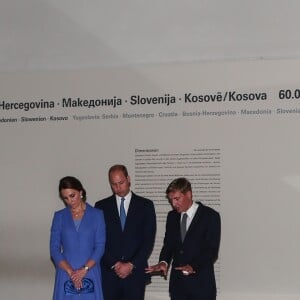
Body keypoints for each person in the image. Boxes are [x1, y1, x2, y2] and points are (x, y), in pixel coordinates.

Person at [145, 177, 221, 300]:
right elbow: (168, 245)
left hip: (201, 286)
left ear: (189, 194)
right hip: (178, 287)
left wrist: (192, 266)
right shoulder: (172, 217)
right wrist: (163, 262)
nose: (174, 204)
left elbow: (211, 251)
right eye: (171, 200)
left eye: (177, 198)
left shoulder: (210, 216)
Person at [95, 164, 156, 300]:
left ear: (128, 179)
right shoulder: (101, 206)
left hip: (135, 273)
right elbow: (99, 240)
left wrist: (130, 265)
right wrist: (115, 264)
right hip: (110, 274)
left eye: (121, 183)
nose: (118, 187)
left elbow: (148, 240)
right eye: (114, 184)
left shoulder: (145, 205)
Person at [50, 176, 106, 300]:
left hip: (90, 270)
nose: (70, 201)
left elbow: (100, 247)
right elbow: (54, 249)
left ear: (81, 192)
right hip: (66, 272)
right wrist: (70, 271)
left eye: (72, 195)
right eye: (65, 198)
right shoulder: (59, 216)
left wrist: (84, 270)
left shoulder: (97, 215)